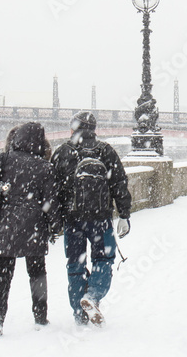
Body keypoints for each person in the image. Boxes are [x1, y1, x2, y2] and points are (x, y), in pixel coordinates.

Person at [0, 122, 62, 337]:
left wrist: (4, 186)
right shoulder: (46, 167)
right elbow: (51, 203)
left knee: (2, 275)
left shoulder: (5, 159)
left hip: (5, 227)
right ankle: (40, 317)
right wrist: (56, 226)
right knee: (37, 274)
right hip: (34, 229)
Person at [51, 111, 132, 327]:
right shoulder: (106, 151)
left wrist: (54, 220)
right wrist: (124, 214)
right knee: (103, 260)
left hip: (73, 219)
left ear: (73, 129)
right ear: (94, 129)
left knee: (75, 264)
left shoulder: (62, 153)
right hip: (100, 218)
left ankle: (79, 311)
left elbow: (52, 191)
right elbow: (119, 185)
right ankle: (93, 296)